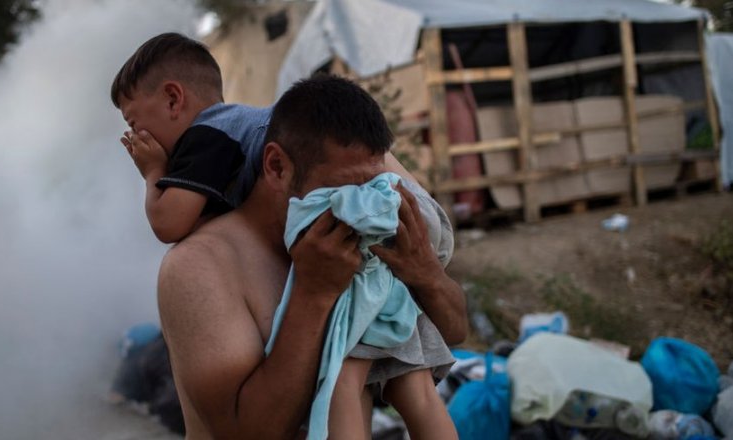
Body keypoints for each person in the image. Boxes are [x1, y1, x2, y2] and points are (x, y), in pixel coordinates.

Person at [127, 74, 468, 438]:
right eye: (342, 188)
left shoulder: (368, 233)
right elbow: (241, 433)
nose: (363, 202)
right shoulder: (202, 265)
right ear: (276, 167)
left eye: (372, 184)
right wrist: (312, 294)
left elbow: (455, 332)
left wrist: (427, 275)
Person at [110, 33, 271, 243]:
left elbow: (167, 224)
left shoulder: (205, 136)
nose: (133, 136)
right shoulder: (224, 130)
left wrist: (153, 171)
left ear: (173, 100)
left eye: (133, 123)